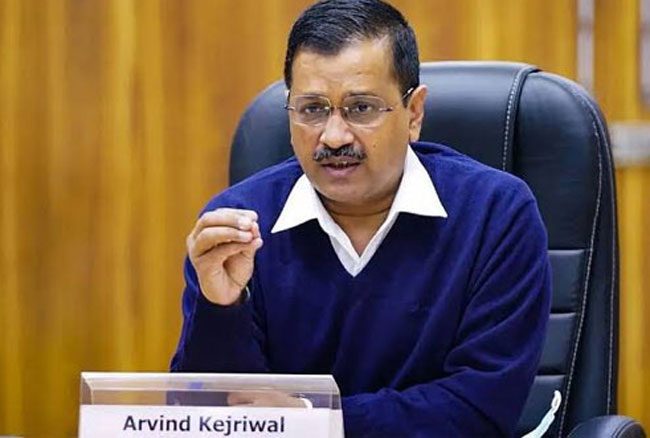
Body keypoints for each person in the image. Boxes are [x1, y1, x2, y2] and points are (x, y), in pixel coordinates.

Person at [171, 0, 551, 436]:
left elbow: (480, 408)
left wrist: (317, 420)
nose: (333, 136)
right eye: (312, 109)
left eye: (362, 108)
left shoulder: (495, 214)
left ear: (414, 114)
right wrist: (222, 309)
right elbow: (215, 419)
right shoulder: (236, 226)